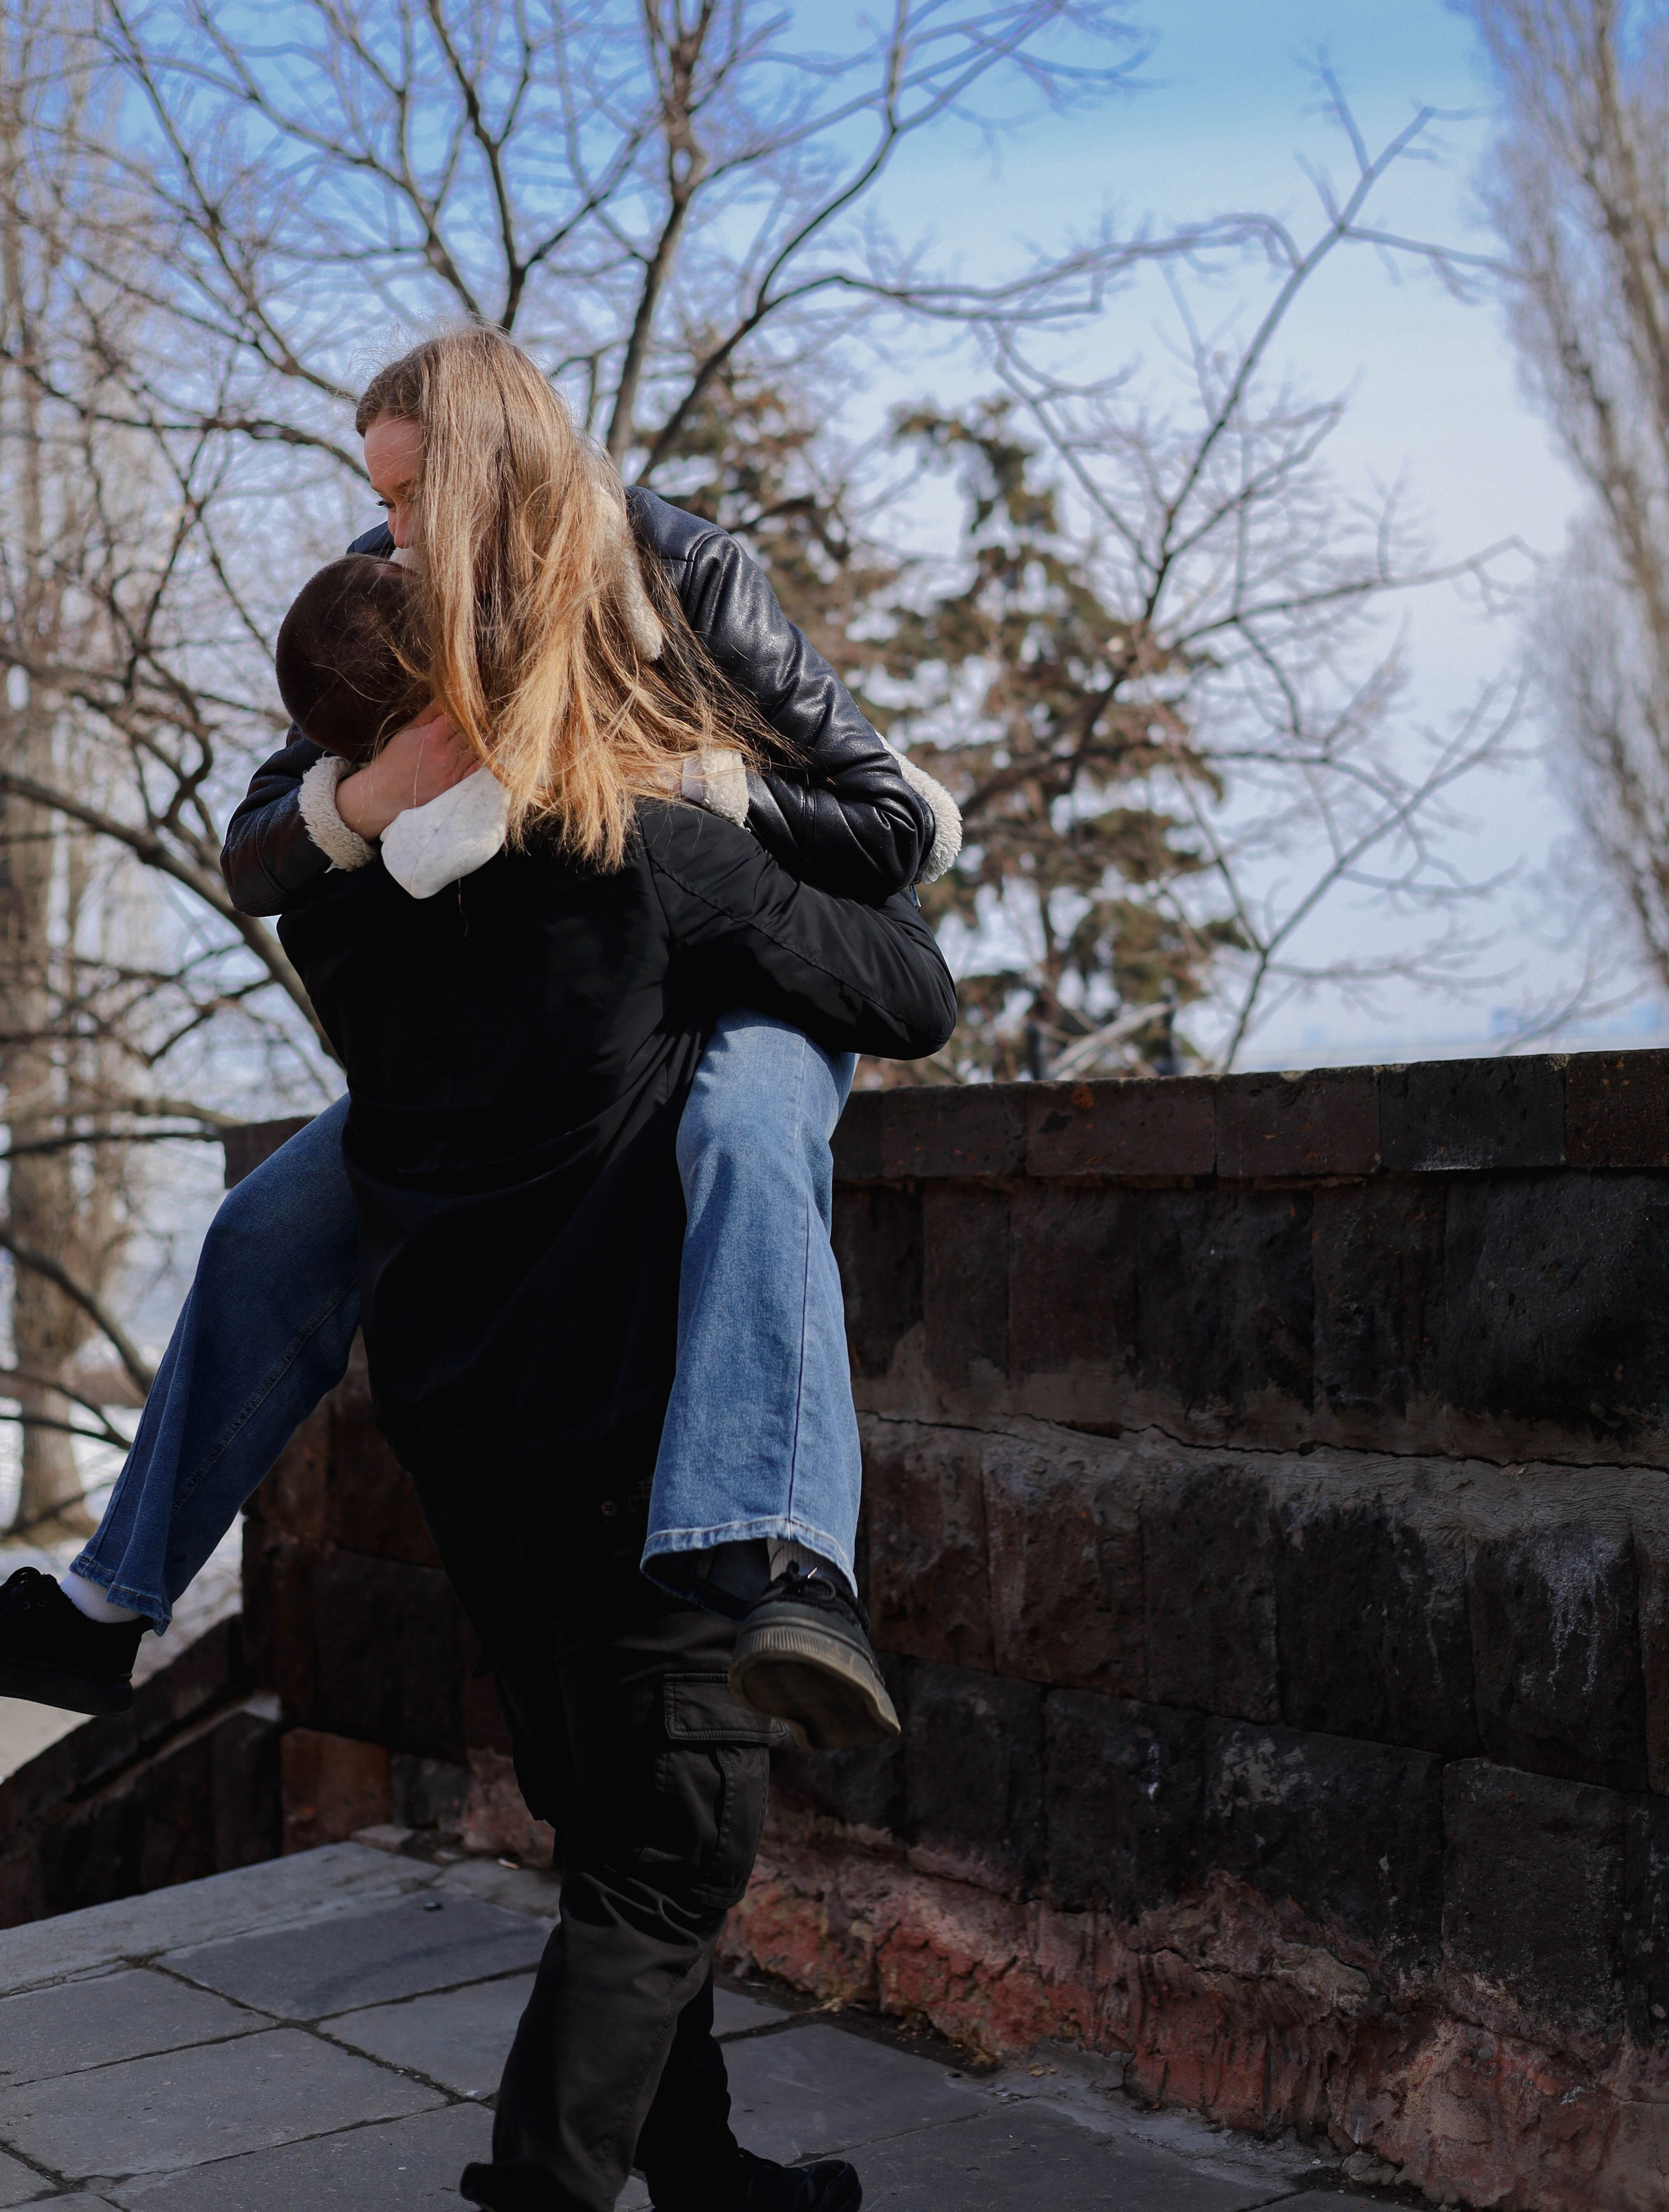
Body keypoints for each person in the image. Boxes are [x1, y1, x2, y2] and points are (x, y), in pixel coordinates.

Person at [0, 332, 959, 1750]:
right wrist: (379, 789)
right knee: (271, 1224)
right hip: (583, 1006)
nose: (383, 529)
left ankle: (786, 1564)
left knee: (743, 1138)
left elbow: (893, 826)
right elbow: (259, 860)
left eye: (404, 496)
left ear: (494, 470)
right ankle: (109, 1600)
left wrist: (685, 787)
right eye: (378, 497)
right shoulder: (394, 595)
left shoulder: (683, 573)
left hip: (765, 968)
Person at [260, 349, 957, 2209]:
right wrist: (717, 829)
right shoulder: (651, 853)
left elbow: (292, 838)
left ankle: (707, 2176)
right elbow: (917, 991)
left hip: (467, 1425)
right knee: (673, 1849)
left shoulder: (339, 900)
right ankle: (542, 2192)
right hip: (642, 1432)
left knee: (599, 1823)